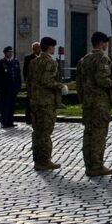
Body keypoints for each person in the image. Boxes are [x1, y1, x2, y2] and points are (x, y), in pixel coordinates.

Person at [76, 32, 112, 176]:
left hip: (88, 103)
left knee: (89, 134)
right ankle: (97, 166)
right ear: (101, 43)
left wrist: (83, 98)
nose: (107, 45)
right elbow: (101, 79)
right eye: (106, 42)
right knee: (98, 135)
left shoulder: (84, 59)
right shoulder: (102, 59)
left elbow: (79, 83)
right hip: (99, 103)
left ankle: (89, 165)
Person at [29, 37, 68, 171]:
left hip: (35, 101)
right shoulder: (50, 62)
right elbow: (47, 80)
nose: (54, 49)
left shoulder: (33, 62)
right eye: (53, 47)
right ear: (50, 47)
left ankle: (38, 160)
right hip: (46, 102)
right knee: (45, 132)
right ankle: (45, 161)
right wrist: (60, 86)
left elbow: (30, 81)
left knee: (37, 132)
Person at [0, 45, 22, 128]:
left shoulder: (15, 62)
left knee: (12, 105)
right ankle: (4, 121)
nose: (10, 54)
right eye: (8, 52)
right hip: (5, 89)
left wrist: (18, 86)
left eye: (11, 52)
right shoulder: (0, 63)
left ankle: (10, 121)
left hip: (13, 88)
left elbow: (18, 76)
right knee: (4, 106)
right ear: (5, 53)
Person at [23, 42, 42, 124]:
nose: (38, 49)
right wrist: (27, 83)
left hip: (41, 84)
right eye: (37, 47)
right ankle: (28, 118)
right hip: (31, 84)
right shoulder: (28, 58)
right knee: (30, 102)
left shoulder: (42, 57)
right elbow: (25, 71)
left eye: (39, 47)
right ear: (33, 49)